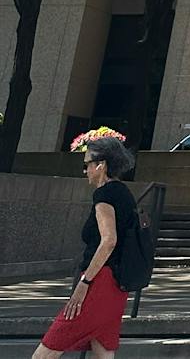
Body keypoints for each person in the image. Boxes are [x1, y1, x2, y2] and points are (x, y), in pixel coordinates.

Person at [29, 134, 138, 359]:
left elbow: (109, 241)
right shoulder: (124, 193)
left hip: (99, 281)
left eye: (87, 163)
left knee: (44, 354)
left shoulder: (105, 194)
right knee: (103, 351)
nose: (85, 170)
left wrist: (84, 282)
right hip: (118, 285)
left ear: (101, 165)